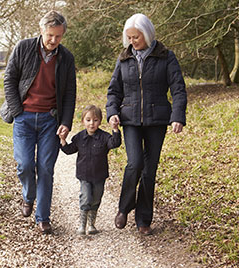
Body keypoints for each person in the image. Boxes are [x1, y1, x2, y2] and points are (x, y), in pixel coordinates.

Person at [106, 13, 187, 235]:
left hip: (157, 120)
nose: (132, 41)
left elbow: (178, 89)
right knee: (134, 163)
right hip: (130, 119)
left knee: (149, 171)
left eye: (136, 37)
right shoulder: (124, 58)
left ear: (147, 34)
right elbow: (114, 91)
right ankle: (124, 207)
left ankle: (143, 219)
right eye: (129, 37)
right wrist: (112, 112)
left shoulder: (166, 57)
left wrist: (177, 116)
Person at [0, 10, 76, 234]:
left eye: (58, 36)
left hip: (50, 121)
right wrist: (17, 111)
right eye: (50, 35)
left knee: (45, 168)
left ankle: (43, 217)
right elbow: (9, 79)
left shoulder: (67, 57)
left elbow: (70, 93)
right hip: (24, 117)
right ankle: (28, 196)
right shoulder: (23, 47)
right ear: (41, 30)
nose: (54, 40)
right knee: (24, 165)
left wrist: (66, 122)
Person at [60, 105, 121, 235]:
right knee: (86, 197)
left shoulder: (104, 137)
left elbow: (115, 143)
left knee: (96, 198)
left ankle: (92, 225)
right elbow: (69, 150)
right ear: (83, 121)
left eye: (95, 120)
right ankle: (82, 225)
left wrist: (115, 129)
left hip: (99, 175)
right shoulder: (79, 137)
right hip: (84, 174)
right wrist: (63, 140)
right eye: (88, 120)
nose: (91, 123)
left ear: (100, 121)